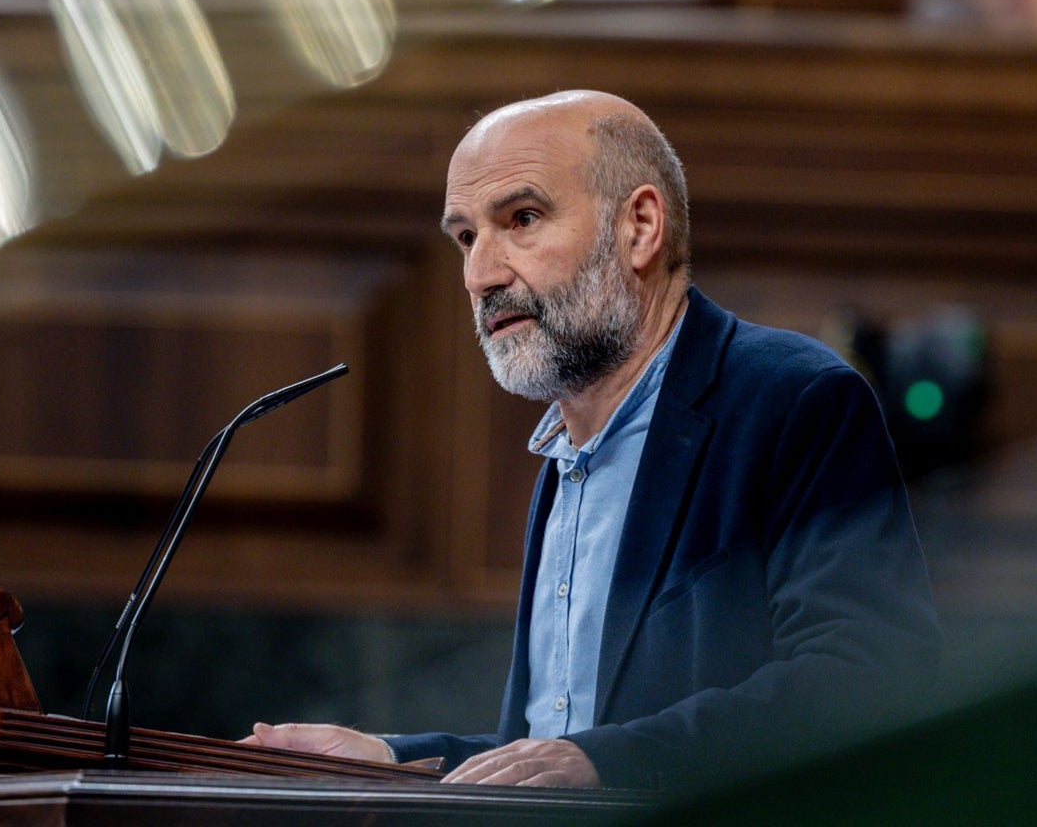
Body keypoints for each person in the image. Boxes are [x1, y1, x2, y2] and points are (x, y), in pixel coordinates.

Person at [244, 90, 944, 791]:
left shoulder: (794, 400)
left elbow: (870, 680)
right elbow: (553, 752)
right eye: (465, 237)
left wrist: (605, 761)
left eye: (521, 219)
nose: (480, 274)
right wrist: (395, 758)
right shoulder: (566, 455)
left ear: (639, 226)